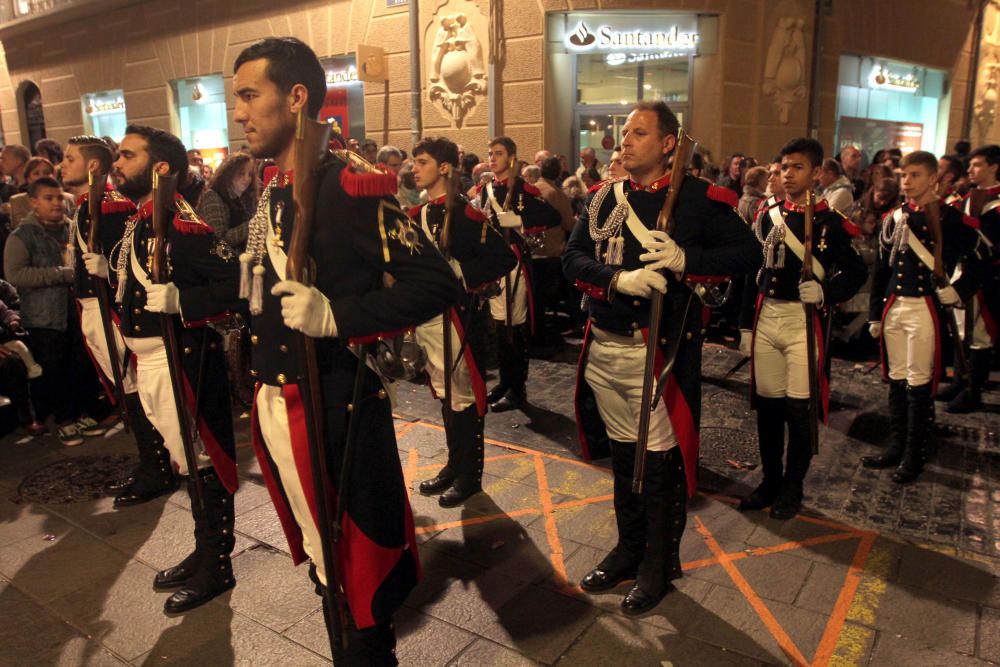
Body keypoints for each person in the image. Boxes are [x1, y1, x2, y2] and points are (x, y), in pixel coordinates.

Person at [231, 37, 458, 663]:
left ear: (296, 96)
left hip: (336, 408)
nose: (240, 112)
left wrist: (338, 316)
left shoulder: (351, 185)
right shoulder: (274, 186)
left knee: (359, 585)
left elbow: (438, 282)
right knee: (323, 569)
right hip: (279, 403)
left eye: (251, 95)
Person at [563, 101, 759, 615]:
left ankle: (659, 561)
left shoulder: (697, 199)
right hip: (606, 346)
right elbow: (573, 256)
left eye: (639, 133)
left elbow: (748, 255)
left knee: (659, 466)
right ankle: (629, 548)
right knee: (624, 460)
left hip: (659, 354)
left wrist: (686, 260)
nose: (624, 141)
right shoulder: (604, 197)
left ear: (669, 143)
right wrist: (617, 279)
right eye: (624, 132)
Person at [85, 125, 243, 614]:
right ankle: (203, 549)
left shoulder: (182, 224)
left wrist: (184, 301)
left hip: (181, 361)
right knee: (185, 463)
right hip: (148, 360)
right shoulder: (142, 220)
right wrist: (106, 272)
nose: (117, 163)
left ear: (159, 169)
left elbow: (233, 283)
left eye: (127, 156)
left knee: (204, 463)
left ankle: (218, 563)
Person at [738, 138, 866, 520]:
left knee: (799, 410)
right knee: (768, 409)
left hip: (801, 323)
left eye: (796, 168)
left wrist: (826, 291)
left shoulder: (830, 222)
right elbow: (752, 270)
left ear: (815, 174)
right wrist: (745, 324)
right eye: (782, 167)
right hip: (768, 317)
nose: (786, 174)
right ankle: (769, 482)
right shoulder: (766, 213)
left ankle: (793, 488)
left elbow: (857, 272)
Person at [66, 135, 178, 506]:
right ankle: (151, 461)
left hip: (108, 309)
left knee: (133, 386)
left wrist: (109, 274)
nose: (62, 165)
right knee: (126, 388)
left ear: (91, 167)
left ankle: (159, 464)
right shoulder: (88, 206)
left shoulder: (109, 207)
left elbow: (127, 264)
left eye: (70, 159)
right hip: (91, 306)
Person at [864, 151, 988, 483]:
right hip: (895, 307)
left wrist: (960, 289)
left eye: (915, 175)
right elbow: (881, 271)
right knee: (896, 380)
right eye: (904, 175)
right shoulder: (894, 217)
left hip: (924, 308)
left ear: (933, 178)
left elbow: (982, 259)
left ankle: (914, 454)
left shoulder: (952, 219)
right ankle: (896, 445)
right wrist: (875, 313)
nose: (907, 181)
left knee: (918, 385)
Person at [410, 136, 516, 506]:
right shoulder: (417, 215)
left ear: (442, 168)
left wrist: (461, 273)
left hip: (458, 320)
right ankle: (455, 465)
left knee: (465, 398)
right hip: (429, 320)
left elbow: (504, 259)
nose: (414, 169)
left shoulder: (466, 214)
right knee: (445, 395)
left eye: (421, 162)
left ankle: (470, 475)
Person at [4, 176, 106, 445]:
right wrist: (61, 274)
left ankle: (82, 412)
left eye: (60, 197)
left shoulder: (72, 229)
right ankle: (64, 419)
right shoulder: (23, 236)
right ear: (34, 202)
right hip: (44, 316)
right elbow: (15, 274)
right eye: (49, 198)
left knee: (79, 364)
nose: (57, 203)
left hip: (75, 310)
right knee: (54, 367)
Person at [475, 136, 561, 412]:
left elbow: (553, 217)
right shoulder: (485, 188)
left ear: (511, 157)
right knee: (500, 327)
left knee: (515, 328)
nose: (492, 158)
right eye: (490, 153)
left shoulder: (525, 189)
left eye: (498, 153)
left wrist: (521, 221)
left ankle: (517, 387)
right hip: (493, 264)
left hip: (514, 264)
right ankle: (504, 381)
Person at [940, 144, 1000, 412]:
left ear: (993, 167)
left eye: (977, 165)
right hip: (963, 270)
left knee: (980, 335)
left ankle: (973, 391)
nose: (970, 170)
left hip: (988, 277)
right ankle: (959, 381)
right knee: (960, 328)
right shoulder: (965, 198)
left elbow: (989, 242)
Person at [196, 151, 255, 251]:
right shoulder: (213, 196)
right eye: (241, 173)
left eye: (250, 174)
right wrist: (253, 224)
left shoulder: (243, 197)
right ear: (229, 173)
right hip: (221, 264)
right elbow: (219, 240)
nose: (247, 179)